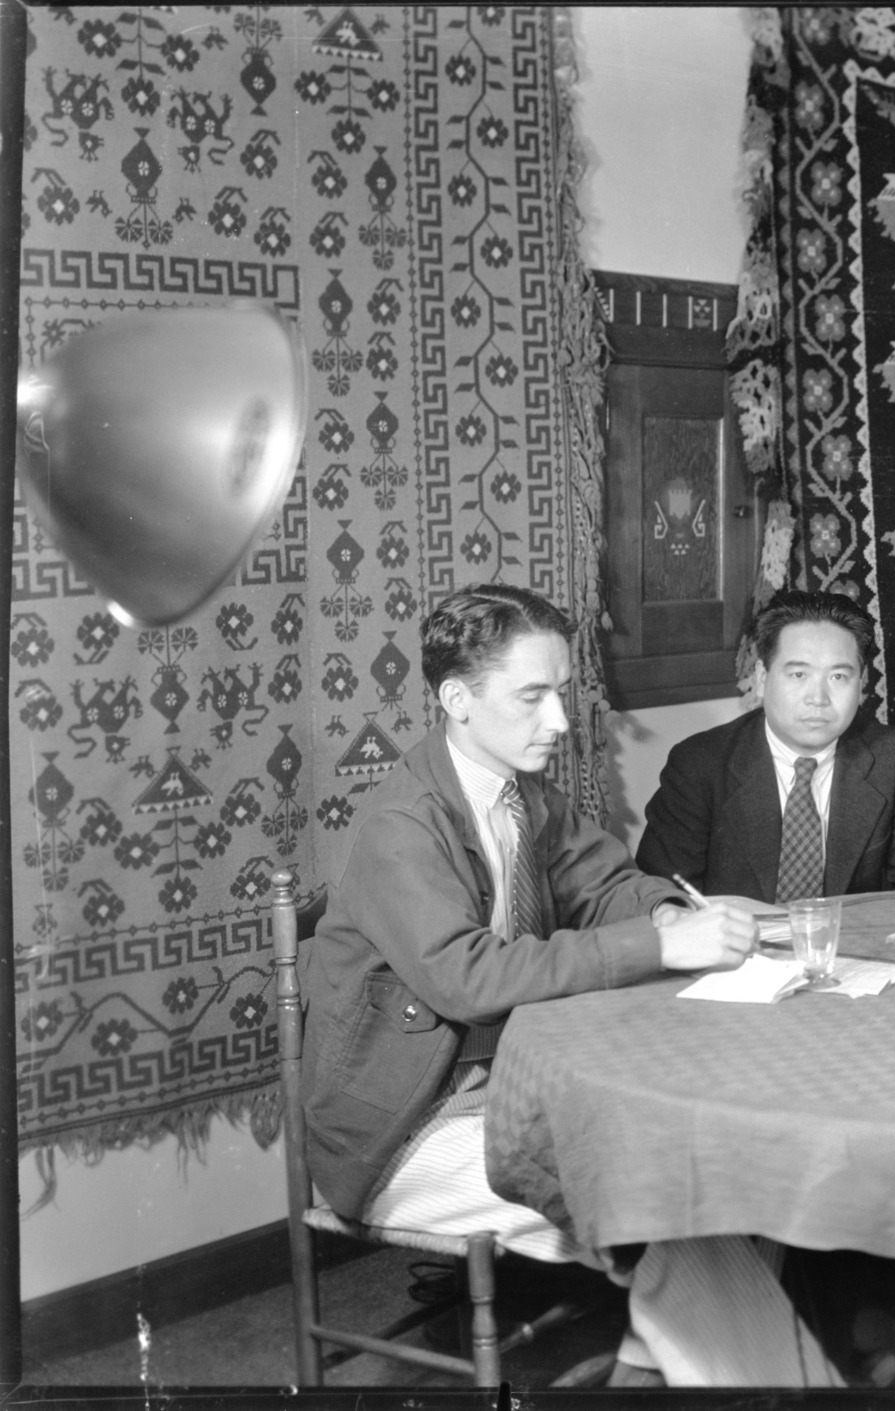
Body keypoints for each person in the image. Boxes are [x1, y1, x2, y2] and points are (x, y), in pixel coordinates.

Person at [300, 583, 843, 1387]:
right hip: (401, 1132)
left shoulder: (524, 794)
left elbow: (610, 883)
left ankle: (667, 1367)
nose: (558, 719)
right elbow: (470, 978)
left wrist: (668, 911)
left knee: (716, 1160)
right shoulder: (401, 825)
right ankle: (774, 1381)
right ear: (457, 699)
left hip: (510, 1085)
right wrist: (660, 944)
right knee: (668, 1195)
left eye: (562, 692)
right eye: (532, 696)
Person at [636, 590, 895, 903]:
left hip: (851, 935)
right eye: (798, 674)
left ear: (861, 683)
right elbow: (662, 897)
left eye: (838, 677)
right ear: (762, 677)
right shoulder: (699, 764)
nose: (818, 698)